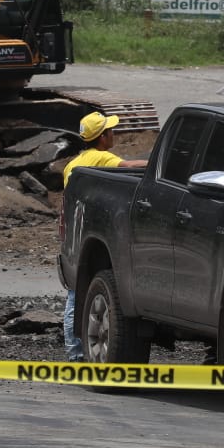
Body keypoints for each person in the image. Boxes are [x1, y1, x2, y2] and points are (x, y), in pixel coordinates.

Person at [58, 111, 143, 361]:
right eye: (110, 131)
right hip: (93, 232)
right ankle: (76, 352)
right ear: (102, 137)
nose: (113, 134)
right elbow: (128, 167)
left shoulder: (73, 164)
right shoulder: (102, 157)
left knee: (75, 292)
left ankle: (74, 351)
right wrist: (158, 164)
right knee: (80, 295)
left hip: (77, 232)